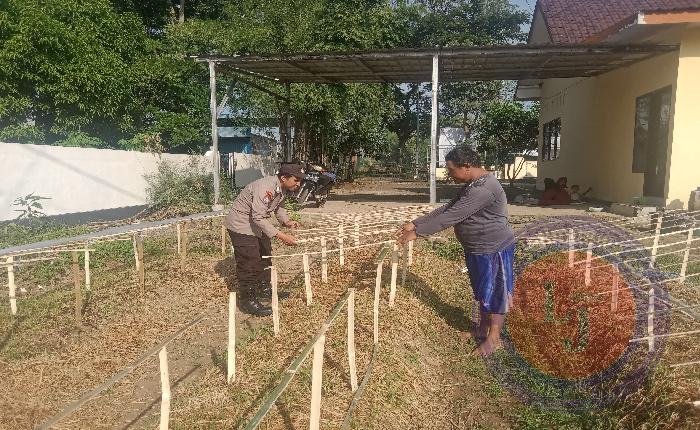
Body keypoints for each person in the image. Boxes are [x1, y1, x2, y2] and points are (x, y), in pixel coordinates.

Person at [397, 146, 515, 356]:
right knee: (482, 290)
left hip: (494, 249)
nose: (449, 175)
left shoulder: (484, 189)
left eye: (451, 170)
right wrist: (416, 223)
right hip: (477, 249)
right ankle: (482, 329)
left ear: (466, 166)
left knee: (496, 293)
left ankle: (494, 338)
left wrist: (418, 233)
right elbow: (448, 207)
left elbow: (451, 217)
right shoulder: (473, 184)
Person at [224, 163, 305, 316]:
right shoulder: (265, 188)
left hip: (256, 224)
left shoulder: (281, 188)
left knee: (265, 255)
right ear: (284, 177)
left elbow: (279, 207)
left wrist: (286, 221)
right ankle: (247, 301)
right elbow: (258, 217)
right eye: (296, 180)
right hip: (241, 224)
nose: (298, 184)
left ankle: (264, 289)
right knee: (249, 261)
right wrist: (282, 236)